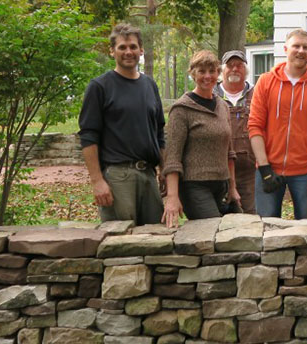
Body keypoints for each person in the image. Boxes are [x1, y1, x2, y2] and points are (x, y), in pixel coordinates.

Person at [78, 23, 164, 225]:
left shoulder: (149, 85)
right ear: (112, 51)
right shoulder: (100, 87)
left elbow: (160, 133)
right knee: (122, 242)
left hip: (149, 176)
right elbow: (88, 136)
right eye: (122, 47)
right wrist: (97, 181)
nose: (128, 52)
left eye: (133, 47)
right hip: (118, 177)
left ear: (141, 50)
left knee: (155, 239)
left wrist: (165, 171)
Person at [248, 28, 307, 219]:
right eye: (296, 46)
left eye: (306, 47)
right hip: (269, 167)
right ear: (286, 49)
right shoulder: (265, 82)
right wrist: (264, 168)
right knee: (267, 229)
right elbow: (255, 126)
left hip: (306, 171)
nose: (301, 51)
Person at [160, 50, 239, 227]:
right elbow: (172, 158)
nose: (207, 76)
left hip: (222, 186)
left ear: (218, 74)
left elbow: (229, 152)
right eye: (201, 71)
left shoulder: (222, 106)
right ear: (193, 74)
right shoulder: (182, 109)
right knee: (214, 230)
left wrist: (233, 188)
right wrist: (172, 198)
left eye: (212, 71)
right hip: (194, 187)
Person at [216, 50, 256, 214]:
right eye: (230, 65)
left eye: (239, 65)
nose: (234, 69)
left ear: (245, 70)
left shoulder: (257, 93)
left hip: (250, 173)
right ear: (222, 70)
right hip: (218, 173)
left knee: (250, 220)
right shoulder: (211, 94)